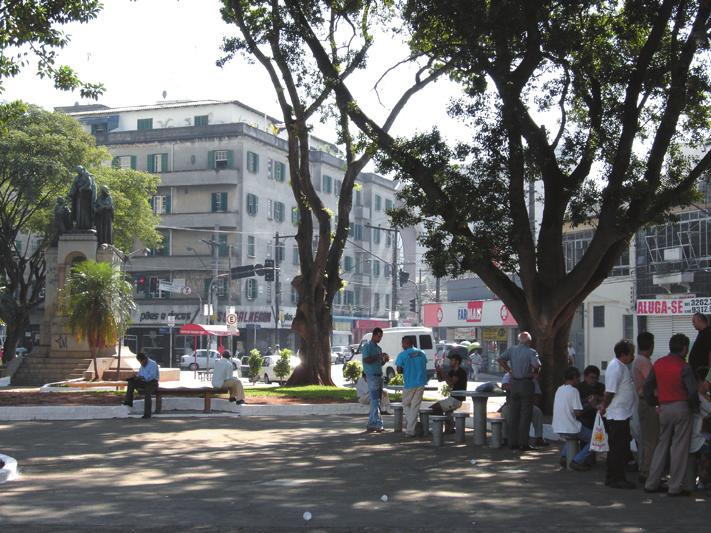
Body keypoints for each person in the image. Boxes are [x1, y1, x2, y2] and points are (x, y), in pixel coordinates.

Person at [643, 333, 699, 496]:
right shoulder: (684, 366)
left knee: (661, 445)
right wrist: (694, 407)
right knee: (679, 447)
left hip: (664, 407)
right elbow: (692, 391)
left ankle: (651, 483)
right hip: (681, 407)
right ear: (684, 349)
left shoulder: (659, 363)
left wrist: (654, 402)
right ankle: (675, 487)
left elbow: (647, 386)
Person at [599, 339, 636, 489]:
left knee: (620, 446)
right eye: (631, 353)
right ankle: (616, 477)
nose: (633, 356)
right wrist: (604, 406)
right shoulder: (616, 367)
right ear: (623, 354)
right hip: (617, 414)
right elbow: (610, 392)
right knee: (617, 448)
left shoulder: (621, 366)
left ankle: (615, 476)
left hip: (623, 413)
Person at [497, 331, 541, 451]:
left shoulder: (512, 350)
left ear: (519, 341)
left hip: (514, 383)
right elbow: (537, 366)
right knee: (525, 415)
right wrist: (535, 374)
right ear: (529, 341)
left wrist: (510, 370)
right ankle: (523, 443)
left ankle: (512, 442)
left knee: (513, 414)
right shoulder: (531, 352)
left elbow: (500, 359)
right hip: (526, 383)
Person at [631, 331, 658, 483]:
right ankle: (647, 471)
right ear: (651, 346)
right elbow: (651, 383)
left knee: (644, 439)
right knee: (651, 440)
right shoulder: (644, 362)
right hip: (647, 402)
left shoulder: (638, 360)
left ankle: (644, 468)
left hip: (642, 402)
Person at [553, 367, 592, 471]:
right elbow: (578, 412)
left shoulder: (559, 389)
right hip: (571, 427)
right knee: (595, 439)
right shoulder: (574, 391)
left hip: (558, 426)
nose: (579, 380)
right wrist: (590, 405)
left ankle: (565, 456)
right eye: (578, 378)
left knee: (574, 432)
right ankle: (577, 461)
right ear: (574, 377)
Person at [500, 372, 548, 447]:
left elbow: (537, 394)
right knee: (505, 411)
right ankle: (505, 438)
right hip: (511, 405)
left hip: (528, 405)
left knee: (537, 412)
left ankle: (539, 437)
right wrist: (518, 387)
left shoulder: (532, 378)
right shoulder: (508, 375)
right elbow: (503, 386)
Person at [396, 335, 428, 437]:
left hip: (410, 383)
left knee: (405, 404)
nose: (402, 345)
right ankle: (411, 429)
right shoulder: (422, 353)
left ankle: (410, 429)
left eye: (403, 343)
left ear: (407, 343)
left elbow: (399, 370)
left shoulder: (402, 355)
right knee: (415, 406)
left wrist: (403, 369)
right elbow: (424, 364)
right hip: (421, 382)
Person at [361, 327, 390, 433]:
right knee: (375, 401)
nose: (380, 338)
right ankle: (377, 424)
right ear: (374, 335)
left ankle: (371, 424)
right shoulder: (367, 347)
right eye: (379, 336)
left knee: (377, 401)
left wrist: (384, 360)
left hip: (379, 375)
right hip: (371, 376)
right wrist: (378, 356)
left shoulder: (379, 348)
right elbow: (366, 360)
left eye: (381, 337)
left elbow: (379, 363)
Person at [431, 351, 468, 433]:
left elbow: (450, 382)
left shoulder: (460, 372)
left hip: (456, 399)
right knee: (444, 411)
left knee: (433, 408)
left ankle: (448, 424)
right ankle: (449, 427)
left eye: (452, 360)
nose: (450, 361)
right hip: (452, 398)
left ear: (457, 361)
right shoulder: (452, 371)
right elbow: (440, 380)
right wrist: (438, 371)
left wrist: (442, 371)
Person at [122, 352, 160, 418]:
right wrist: (136, 377)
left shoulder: (153, 364)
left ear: (145, 359)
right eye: (140, 362)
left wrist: (142, 377)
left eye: (141, 362)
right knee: (131, 382)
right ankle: (128, 401)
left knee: (147, 393)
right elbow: (140, 374)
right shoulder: (142, 365)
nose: (141, 363)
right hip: (143, 382)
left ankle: (147, 414)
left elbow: (151, 376)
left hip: (152, 383)